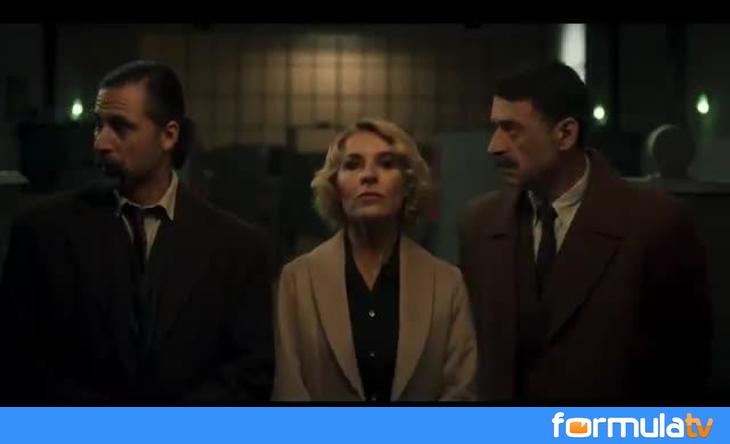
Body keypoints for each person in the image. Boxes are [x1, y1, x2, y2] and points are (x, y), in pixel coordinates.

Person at [0, 60, 273, 402]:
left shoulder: (237, 247)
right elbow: (16, 359)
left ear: (169, 135)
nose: (101, 142)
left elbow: (251, 370)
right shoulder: (42, 232)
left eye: (120, 127)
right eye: (98, 125)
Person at [459, 61, 712, 401]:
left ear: (565, 134)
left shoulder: (655, 224)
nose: (495, 146)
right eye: (496, 127)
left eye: (511, 129)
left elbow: (686, 364)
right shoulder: (479, 224)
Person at [273, 118, 477, 401]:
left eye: (386, 163)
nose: (368, 175)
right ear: (334, 185)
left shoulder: (446, 283)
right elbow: (288, 391)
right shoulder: (297, 280)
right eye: (352, 164)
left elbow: (461, 391)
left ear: (408, 184)